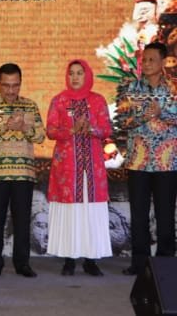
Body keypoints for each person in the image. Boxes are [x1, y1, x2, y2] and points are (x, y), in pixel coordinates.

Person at [0, 63, 45, 279]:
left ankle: (22, 263)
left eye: (15, 85)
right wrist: (4, 125)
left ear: (20, 83)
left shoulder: (30, 106)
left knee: (22, 221)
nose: (11, 90)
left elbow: (40, 136)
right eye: (6, 85)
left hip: (23, 173)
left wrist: (23, 127)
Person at [46, 59, 113, 276]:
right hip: (67, 169)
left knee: (90, 211)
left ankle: (91, 259)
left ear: (87, 75)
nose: (75, 77)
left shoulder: (98, 100)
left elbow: (106, 129)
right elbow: (50, 130)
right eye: (71, 73)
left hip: (92, 167)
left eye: (79, 73)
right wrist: (72, 130)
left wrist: (91, 129)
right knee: (71, 213)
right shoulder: (59, 100)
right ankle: (69, 259)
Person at [117, 42, 177, 275]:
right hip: (138, 162)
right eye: (144, 59)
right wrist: (143, 115)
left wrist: (162, 113)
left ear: (163, 62)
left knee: (165, 215)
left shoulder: (173, 88)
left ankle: (165, 265)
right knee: (139, 215)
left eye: (152, 59)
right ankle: (139, 263)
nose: (147, 63)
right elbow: (122, 121)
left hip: (167, 163)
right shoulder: (131, 88)